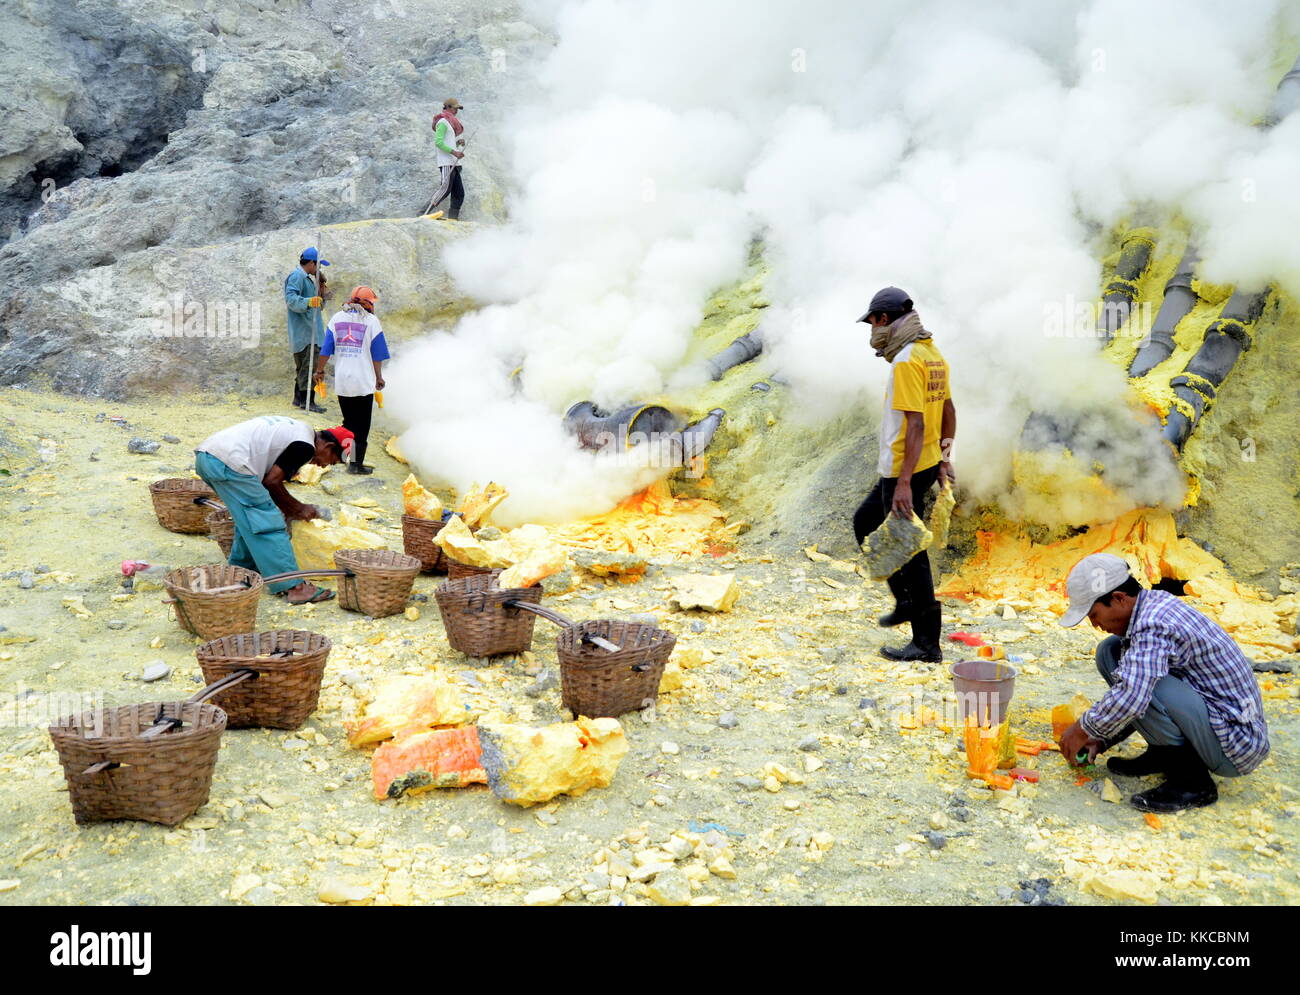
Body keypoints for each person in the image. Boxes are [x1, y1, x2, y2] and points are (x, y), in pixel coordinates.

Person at [1058, 553, 1270, 813]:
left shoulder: (1154, 624)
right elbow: (1135, 694)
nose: (1095, 624)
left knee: (1146, 684)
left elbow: (1134, 695)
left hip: (1235, 744)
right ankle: (1163, 754)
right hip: (1212, 721)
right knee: (1111, 652)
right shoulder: (1151, 605)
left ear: (1119, 599)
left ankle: (1192, 782)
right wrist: (1102, 739)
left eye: (1094, 614)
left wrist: (1082, 728)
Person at [852, 287, 956, 663]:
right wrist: (945, 459)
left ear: (882, 319)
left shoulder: (908, 360)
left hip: (904, 468)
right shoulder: (931, 353)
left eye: (872, 323)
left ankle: (926, 643)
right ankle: (906, 603)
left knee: (911, 554)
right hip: (925, 461)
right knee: (865, 521)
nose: (872, 333)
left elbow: (914, 424)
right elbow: (949, 410)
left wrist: (903, 484)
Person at [195, 416, 354, 604]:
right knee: (268, 523)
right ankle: (294, 587)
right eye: (332, 461)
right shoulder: (305, 446)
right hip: (231, 463)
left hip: (209, 456)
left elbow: (269, 475)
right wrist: (298, 508)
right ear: (328, 447)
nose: (325, 465)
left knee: (249, 518)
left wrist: (288, 506)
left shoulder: (300, 431)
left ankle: (242, 572)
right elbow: (271, 482)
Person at [314, 286, 389, 475]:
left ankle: (339, 456)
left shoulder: (337, 318)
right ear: (368, 302)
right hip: (363, 382)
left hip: (343, 382)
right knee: (361, 428)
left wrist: (319, 370)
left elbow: (326, 350)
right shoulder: (372, 322)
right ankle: (355, 465)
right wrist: (379, 377)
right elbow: (377, 354)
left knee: (348, 423)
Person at [285, 247, 330, 412]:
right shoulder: (297, 276)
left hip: (309, 331)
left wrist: (322, 291)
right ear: (311, 263)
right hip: (305, 332)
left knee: (303, 367)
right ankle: (307, 402)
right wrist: (309, 302)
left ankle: (298, 400)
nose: (319, 268)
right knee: (309, 367)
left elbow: (318, 307)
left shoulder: (308, 279)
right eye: (318, 264)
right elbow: (291, 299)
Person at [428, 97, 467, 219]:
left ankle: (453, 219)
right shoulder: (443, 122)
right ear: (448, 107)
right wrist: (455, 152)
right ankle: (423, 212)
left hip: (453, 163)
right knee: (445, 189)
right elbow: (438, 142)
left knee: (459, 193)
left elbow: (446, 144)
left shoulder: (449, 124)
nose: (457, 111)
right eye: (455, 108)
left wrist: (457, 144)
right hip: (446, 163)